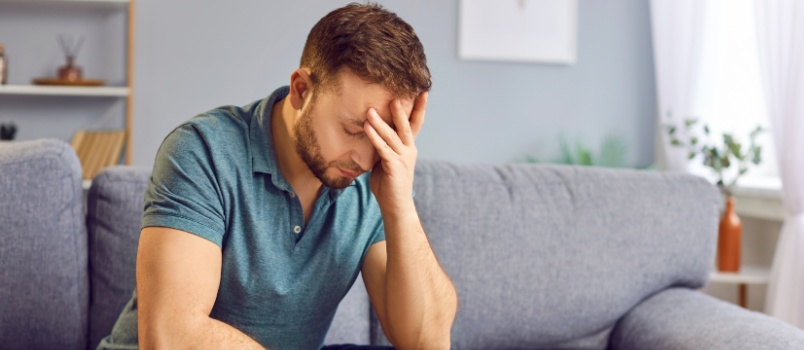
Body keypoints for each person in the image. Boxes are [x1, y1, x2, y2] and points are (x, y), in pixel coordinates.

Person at [97, 3, 458, 350]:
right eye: (353, 130)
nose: (366, 159)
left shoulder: (376, 177)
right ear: (302, 90)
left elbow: (428, 342)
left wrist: (400, 206)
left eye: (385, 137)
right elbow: (172, 338)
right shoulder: (202, 151)